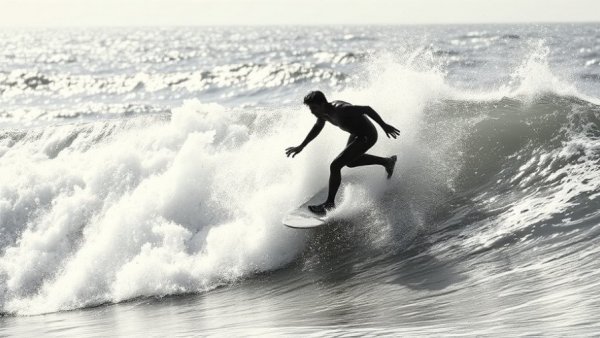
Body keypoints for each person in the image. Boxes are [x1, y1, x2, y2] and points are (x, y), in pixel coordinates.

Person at [285, 90, 400, 215]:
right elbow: (317, 127)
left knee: (335, 165)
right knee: (350, 162)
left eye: (313, 108)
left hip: (367, 135)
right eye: (310, 109)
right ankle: (387, 162)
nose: (312, 111)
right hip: (357, 135)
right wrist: (301, 146)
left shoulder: (341, 109)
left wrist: (384, 126)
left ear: (322, 104)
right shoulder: (322, 114)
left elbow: (367, 109)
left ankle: (329, 204)